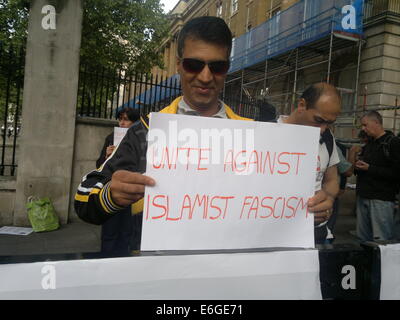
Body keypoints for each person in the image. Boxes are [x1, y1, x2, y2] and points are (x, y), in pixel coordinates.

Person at [74, 16, 252, 250]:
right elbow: (84, 198)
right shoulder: (145, 131)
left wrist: (313, 211)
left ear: (227, 68)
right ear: (178, 64)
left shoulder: (252, 133)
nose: (206, 77)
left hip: (232, 274)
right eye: (194, 65)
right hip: (156, 275)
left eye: (217, 67)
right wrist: (111, 195)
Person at [278, 83, 341, 244]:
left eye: (329, 123)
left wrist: (328, 199)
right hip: (275, 235)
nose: (322, 129)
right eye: (318, 120)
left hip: (316, 234)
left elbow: (332, 179)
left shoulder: (327, 138)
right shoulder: (265, 132)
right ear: (302, 105)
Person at [96, 107, 140, 256]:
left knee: (127, 231)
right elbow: (99, 166)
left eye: (126, 119)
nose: (122, 123)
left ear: (134, 123)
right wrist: (107, 157)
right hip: (112, 190)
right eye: (120, 119)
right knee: (110, 230)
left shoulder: (140, 139)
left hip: (132, 192)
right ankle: (106, 259)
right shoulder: (111, 137)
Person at [354, 111, 400, 242]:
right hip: (363, 196)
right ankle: (366, 263)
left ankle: (382, 263)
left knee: (382, 242)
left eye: (365, 125)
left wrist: (370, 168)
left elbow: (396, 174)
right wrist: (359, 166)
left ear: (376, 123)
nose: (363, 129)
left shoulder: (393, 143)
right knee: (362, 241)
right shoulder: (370, 144)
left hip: (381, 200)